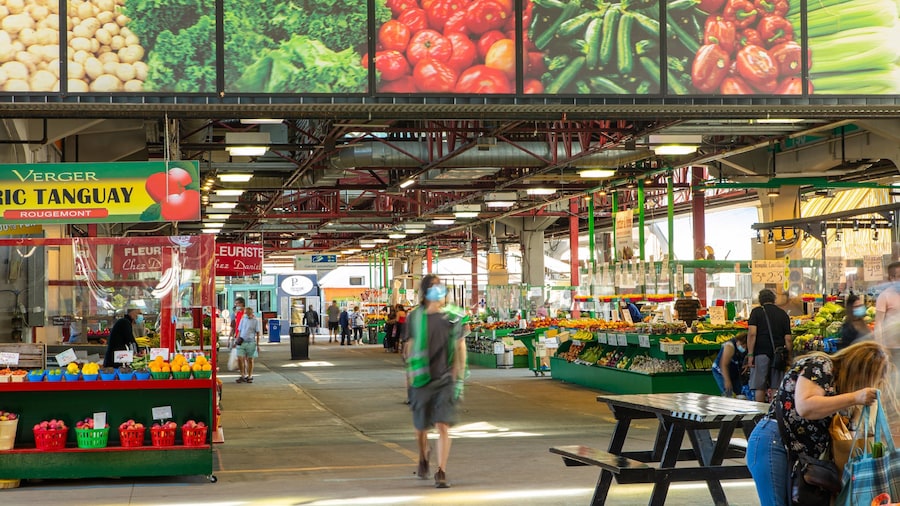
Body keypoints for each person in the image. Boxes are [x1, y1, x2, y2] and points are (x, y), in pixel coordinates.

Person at [747, 341, 892, 506]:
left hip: (800, 456)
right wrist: (855, 397)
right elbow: (805, 407)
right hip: (775, 443)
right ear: (860, 370)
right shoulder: (821, 365)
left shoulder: (840, 388)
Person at [403, 274, 469, 488]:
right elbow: (409, 347)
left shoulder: (454, 316)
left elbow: (460, 346)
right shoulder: (415, 317)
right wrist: (409, 378)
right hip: (421, 379)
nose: (437, 290)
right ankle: (423, 456)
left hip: (445, 378)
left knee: (443, 424)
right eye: (432, 287)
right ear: (425, 292)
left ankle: (441, 471)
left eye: (440, 286)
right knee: (421, 427)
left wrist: (459, 375)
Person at [747, 289, 793, 403]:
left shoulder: (756, 312)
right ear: (773, 300)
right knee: (776, 387)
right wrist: (789, 355)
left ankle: (759, 414)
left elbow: (752, 334)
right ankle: (774, 414)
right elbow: (788, 339)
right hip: (778, 354)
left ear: (760, 300)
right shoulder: (783, 314)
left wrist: (750, 354)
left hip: (760, 352)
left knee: (760, 387)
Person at [875, 261, 900, 366]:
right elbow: (879, 324)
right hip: (892, 349)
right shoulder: (884, 296)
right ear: (892, 278)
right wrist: (880, 347)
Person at [712, 331, 748, 397]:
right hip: (721, 370)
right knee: (728, 392)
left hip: (734, 370)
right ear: (739, 342)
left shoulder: (745, 349)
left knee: (739, 392)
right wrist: (727, 381)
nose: (744, 348)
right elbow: (724, 365)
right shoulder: (730, 347)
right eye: (743, 346)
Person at [235, 306, 261, 384]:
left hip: (251, 342)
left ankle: (249, 376)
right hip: (241, 341)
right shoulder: (243, 320)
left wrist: (257, 344)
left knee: (250, 359)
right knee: (240, 358)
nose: (246, 314)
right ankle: (242, 375)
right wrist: (237, 339)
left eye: (247, 313)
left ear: (251, 313)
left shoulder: (255, 321)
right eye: (245, 313)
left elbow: (258, 333)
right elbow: (239, 330)